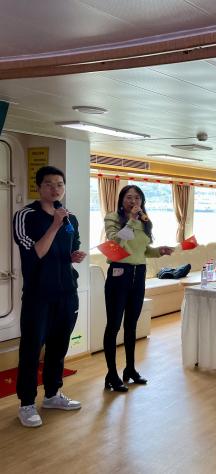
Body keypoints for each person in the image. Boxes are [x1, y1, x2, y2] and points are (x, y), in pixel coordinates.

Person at [12, 166, 86, 427]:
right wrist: (54, 225)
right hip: (38, 295)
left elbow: (69, 249)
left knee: (58, 346)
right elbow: (34, 255)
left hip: (67, 292)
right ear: (38, 187)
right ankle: (27, 403)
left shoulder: (70, 218)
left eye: (60, 184)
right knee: (31, 349)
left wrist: (74, 256)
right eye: (49, 184)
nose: (55, 189)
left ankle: (53, 394)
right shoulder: (25, 216)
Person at [103, 185, 174, 392]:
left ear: (142, 201)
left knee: (131, 325)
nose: (133, 201)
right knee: (113, 325)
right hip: (119, 273)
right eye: (129, 197)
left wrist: (159, 251)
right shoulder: (113, 218)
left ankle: (130, 369)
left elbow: (143, 250)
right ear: (121, 199)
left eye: (137, 198)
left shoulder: (145, 221)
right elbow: (116, 241)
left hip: (139, 273)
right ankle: (111, 373)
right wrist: (132, 220)